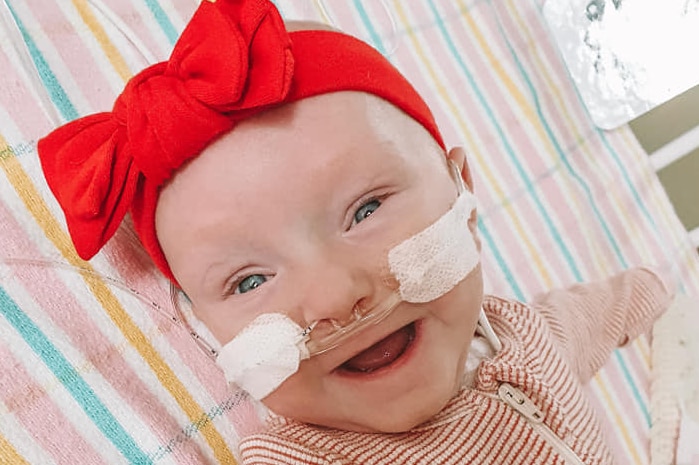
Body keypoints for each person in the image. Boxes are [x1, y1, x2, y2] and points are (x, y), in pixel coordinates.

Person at [37, 0, 673, 463]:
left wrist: (659, 284)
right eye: (249, 280)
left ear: (463, 191)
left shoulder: (526, 333)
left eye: (365, 211)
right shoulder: (307, 458)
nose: (336, 296)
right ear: (204, 331)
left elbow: (600, 312)